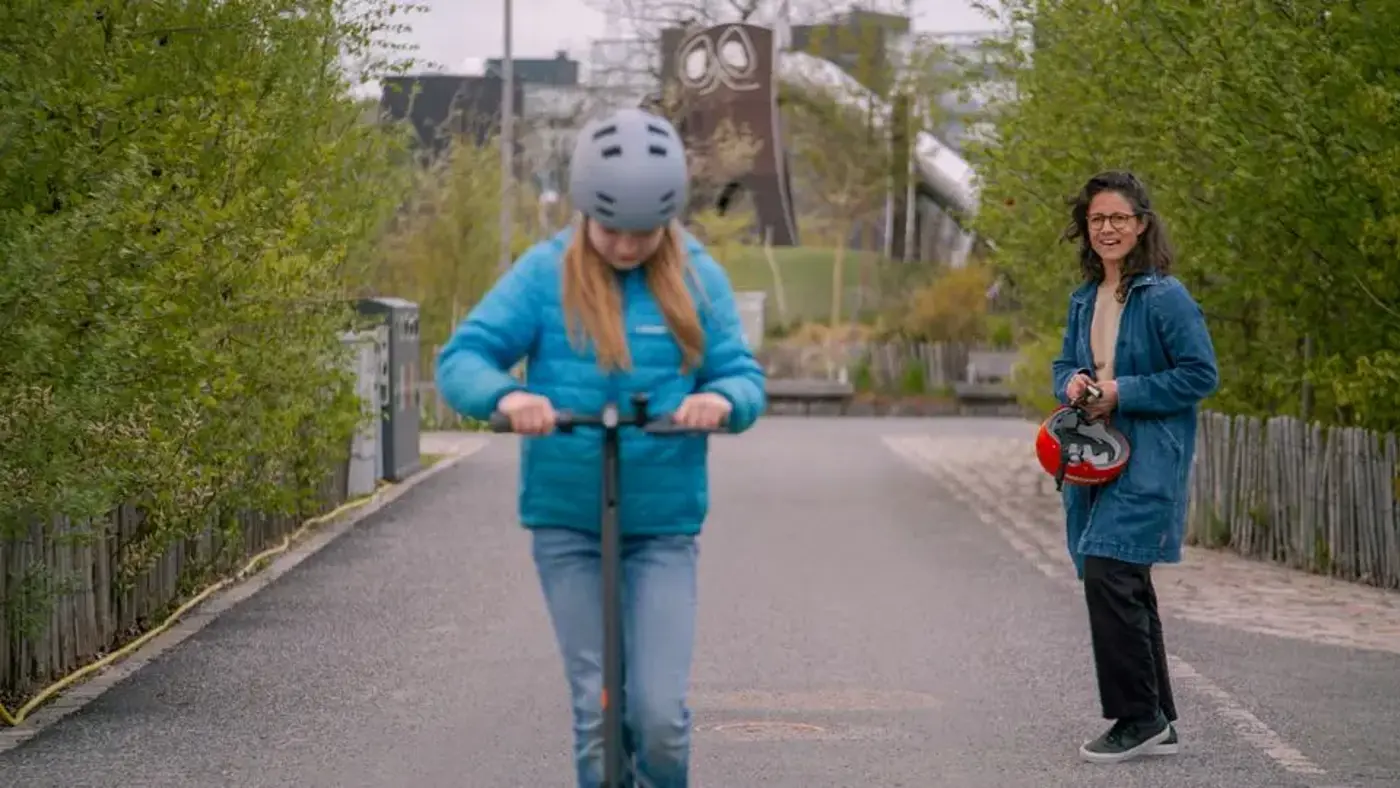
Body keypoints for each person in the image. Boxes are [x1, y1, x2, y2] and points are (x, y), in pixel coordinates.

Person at [434, 107, 767, 788]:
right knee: (597, 711)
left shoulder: (696, 276)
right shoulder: (544, 273)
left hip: (661, 525)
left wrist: (723, 401)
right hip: (569, 521)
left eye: (644, 233)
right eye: (612, 228)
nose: (625, 246)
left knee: (660, 717)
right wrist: (507, 398)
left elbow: (741, 374)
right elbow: (464, 357)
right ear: (585, 208)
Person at [1051, 170, 1219, 764]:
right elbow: (1064, 363)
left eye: (1119, 218)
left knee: (1108, 573)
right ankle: (1159, 719)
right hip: (1092, 458)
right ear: (1085, 228)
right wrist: (1069, 381)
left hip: (1147, 459)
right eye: (1097, 219)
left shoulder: (1166, 296)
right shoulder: (1083, 299)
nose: (1107, 228)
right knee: (1125, 581)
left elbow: (1201, 374)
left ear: (1141, 224)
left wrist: (1124, 391)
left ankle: (1136, 717)